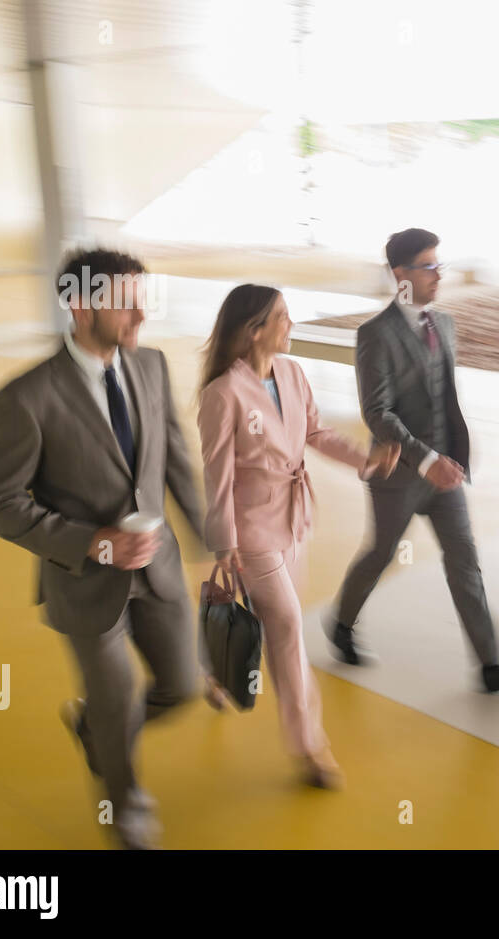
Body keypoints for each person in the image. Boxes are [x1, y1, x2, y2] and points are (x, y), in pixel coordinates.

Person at [0, 247, 203, 849]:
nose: (140, 317)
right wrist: (94, 544)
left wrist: (218, 542)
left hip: (160, 567)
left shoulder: (151, 366)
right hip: (83, 581)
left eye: (141, 302)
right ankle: (125, 806)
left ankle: (97, 730)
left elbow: (174, 458)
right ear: (79, 306)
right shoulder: (24, 398)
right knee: (113, 695)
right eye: (126, 305)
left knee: (182, 686)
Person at [197, 284, 398, 789]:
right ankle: (310, 747)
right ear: (254, 330)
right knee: (286, 626)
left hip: (294, 519)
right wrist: (224, 544)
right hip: (250, 532)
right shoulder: (221, 395)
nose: (291, 325)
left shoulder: (291, 372)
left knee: (260, 617)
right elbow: (216, 475)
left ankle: (215, 668)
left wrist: (366, 459)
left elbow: (314, 432)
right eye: (282, 317)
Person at [328, 228, 499, 694]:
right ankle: (341, 624)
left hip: (446, 474)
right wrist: (426, 461)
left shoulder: (445, 325)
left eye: (440, 264)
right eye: (428, 266)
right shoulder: (374, 334)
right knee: (380, 554)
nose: (439, 274)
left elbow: (444, 397)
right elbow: (377, 412)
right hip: (399, 475)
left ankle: (490, 665)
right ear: (400, 274)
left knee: (464, 561)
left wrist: (451, 458)